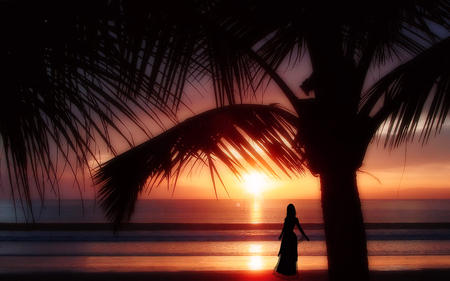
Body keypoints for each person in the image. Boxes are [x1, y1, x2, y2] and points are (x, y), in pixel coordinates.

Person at [274, 204, 309, 278]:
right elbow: (300, 229)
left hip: (287, 237)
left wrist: (281, 235)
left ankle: (286, 270)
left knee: (286, 253)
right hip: (291, 237)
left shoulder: (287, 219)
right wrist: (305, 236)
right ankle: (290, 271)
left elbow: (285, 228)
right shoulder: (294, 219)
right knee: (290, 253)